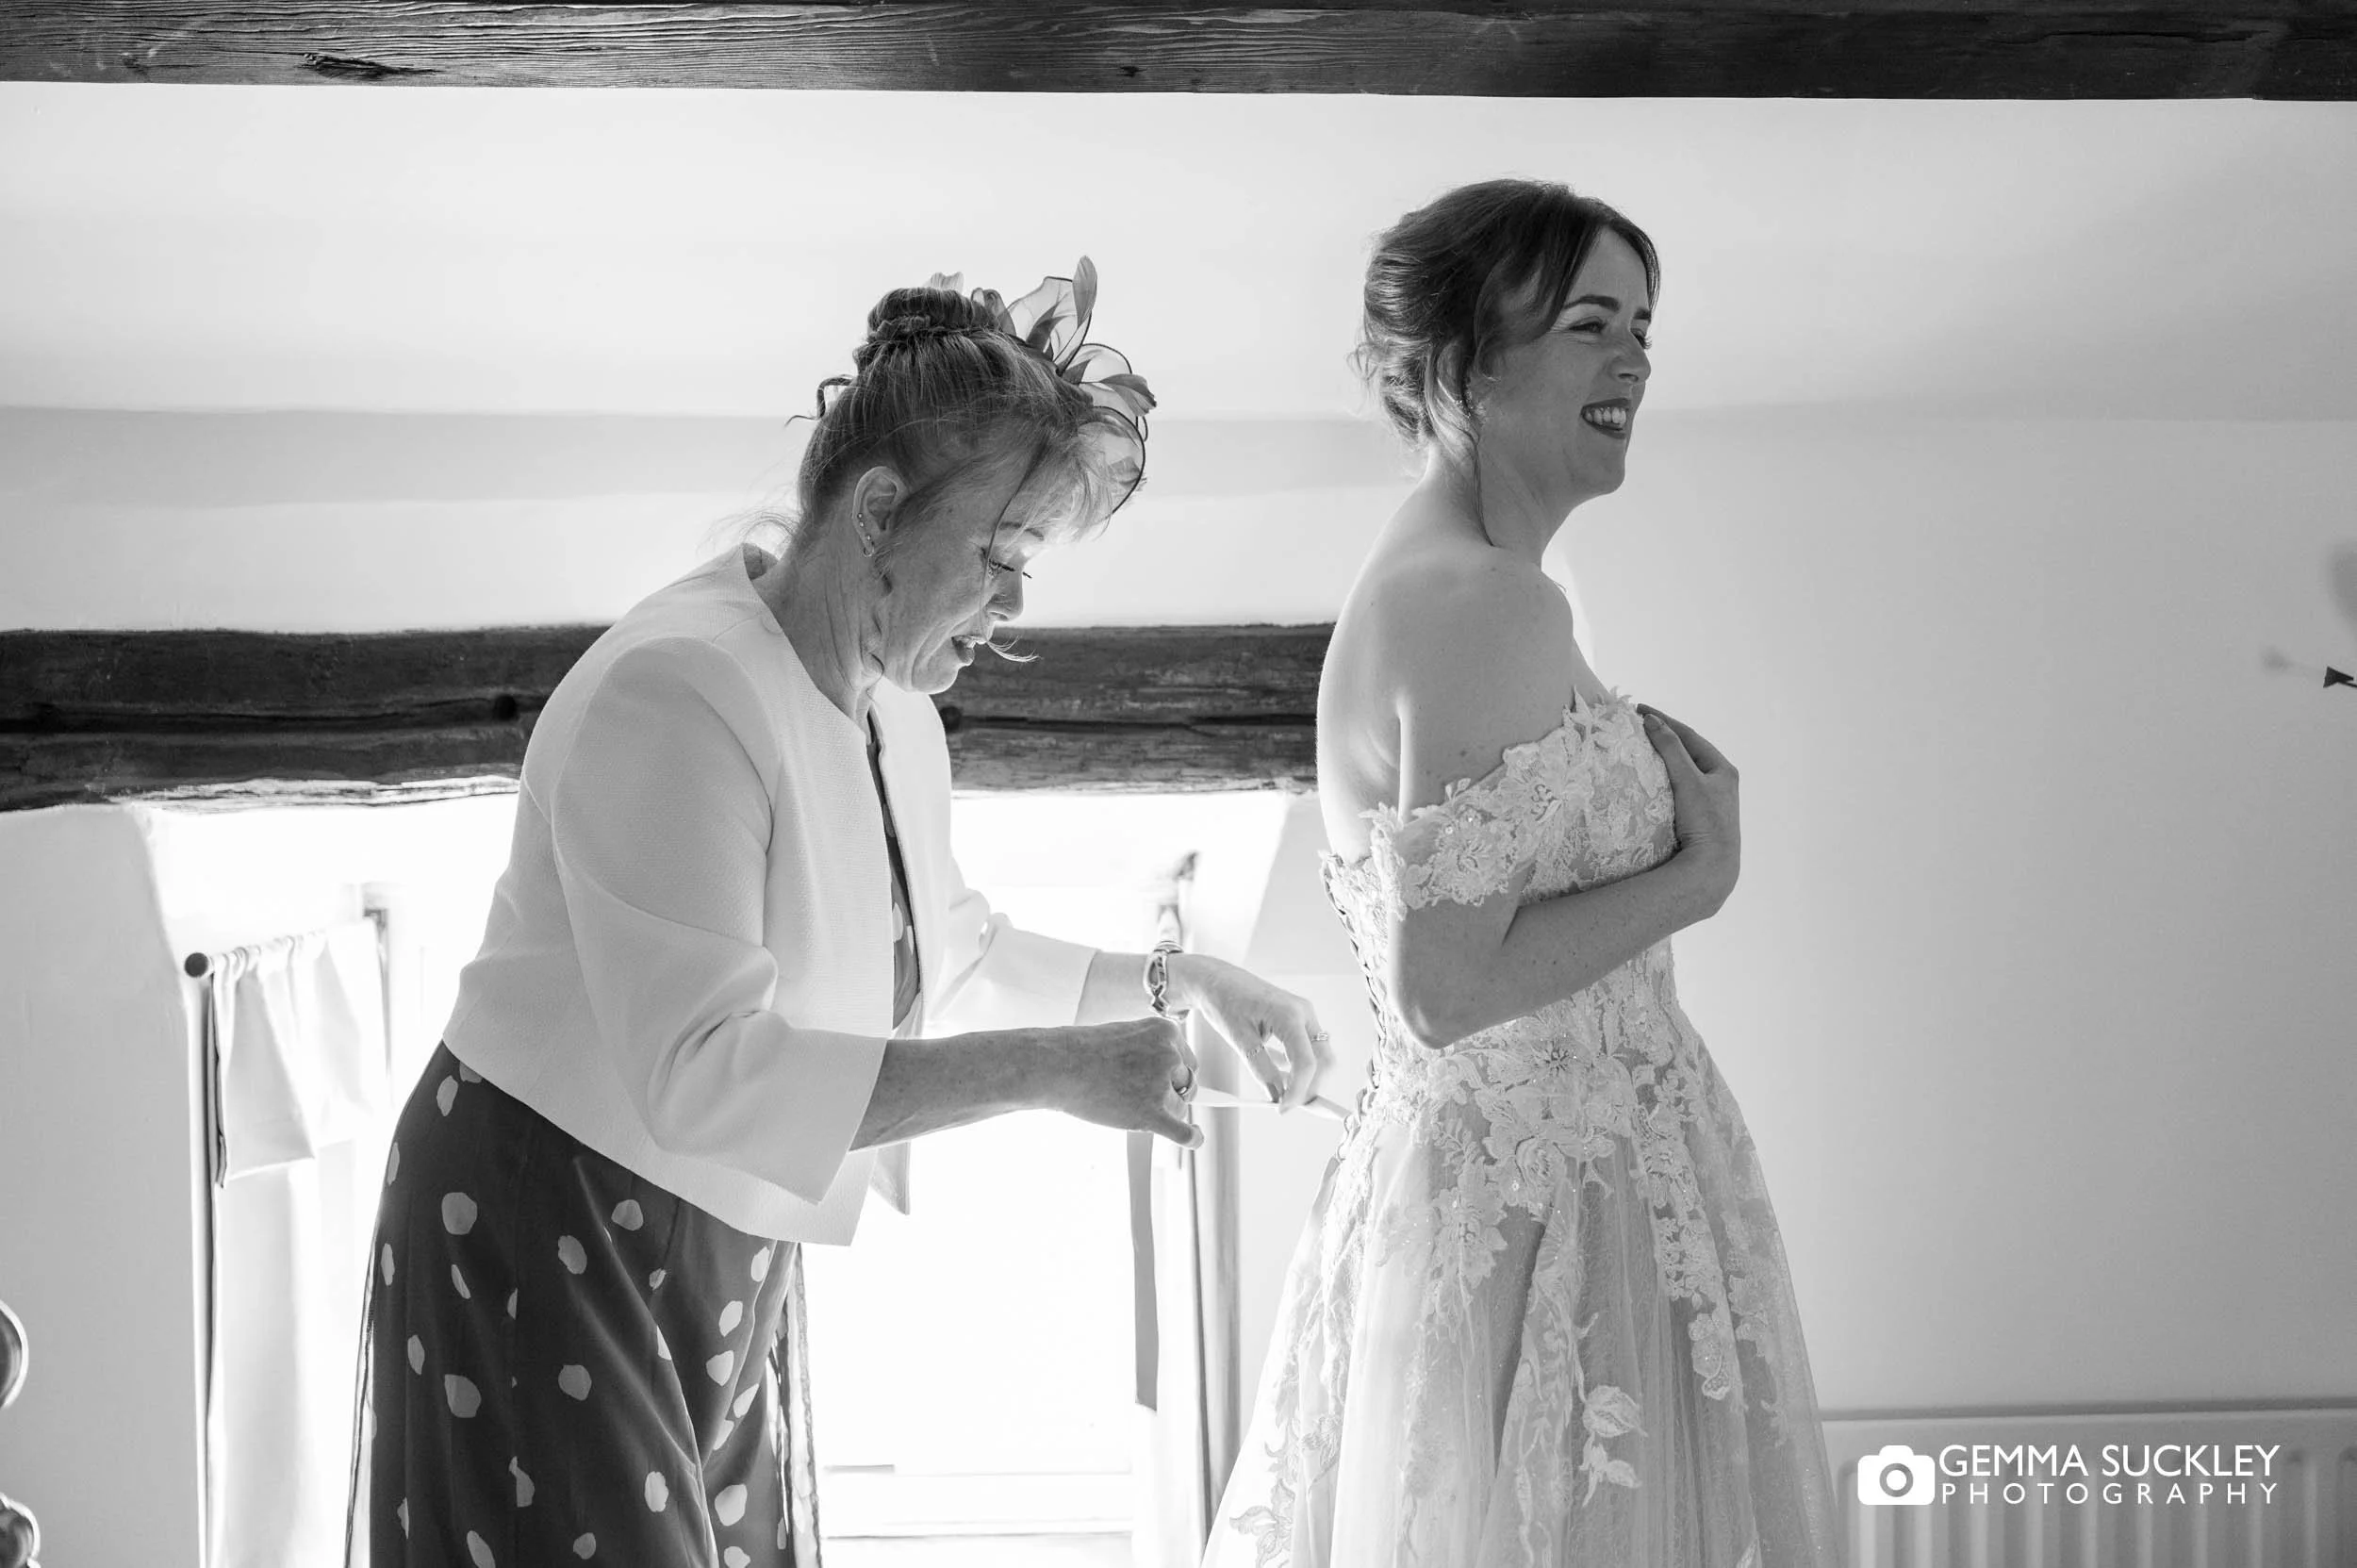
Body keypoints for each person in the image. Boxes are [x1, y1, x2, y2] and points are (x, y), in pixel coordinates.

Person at [348, 261, 1333, 1567]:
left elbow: (957, 950)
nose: (1017, 601)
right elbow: (706, 1072)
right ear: (877, 511)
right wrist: (1053, 1072)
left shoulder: (895, 709)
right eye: (998, 554)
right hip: (549, 1217)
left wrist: (1184, 979)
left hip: (709, 1247)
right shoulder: (680, 691)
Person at [1202, 182, 1839, 1566]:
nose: (1636, 364)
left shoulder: (1473, 582)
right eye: (1593, 325)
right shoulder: (1481, 600)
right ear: (1469, 361)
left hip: (1538, 1201)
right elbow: (1447, 987)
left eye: (1645, 331)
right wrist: (1700, 872)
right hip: (1533, 1226)